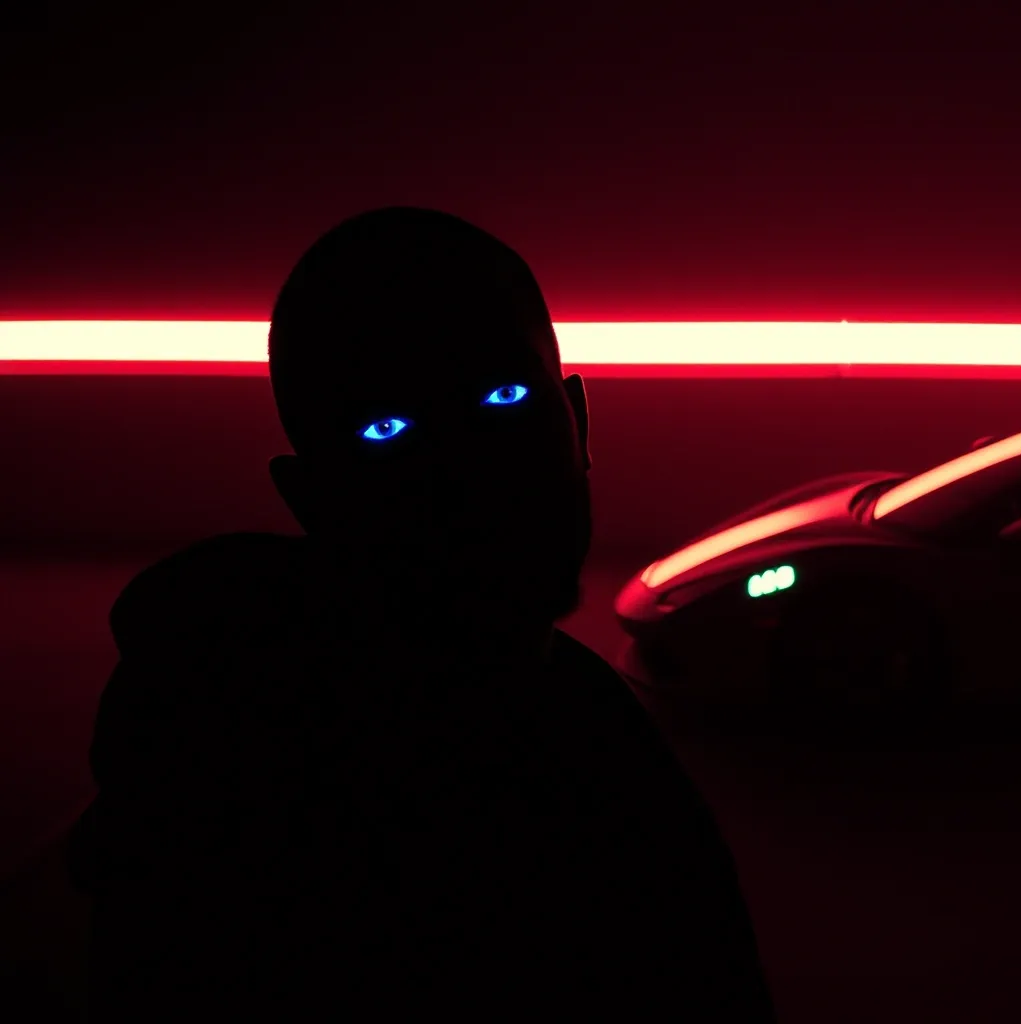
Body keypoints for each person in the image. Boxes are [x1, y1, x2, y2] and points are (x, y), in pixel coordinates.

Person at [69, 207, 777, 1020]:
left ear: (578, 420)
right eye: (388, 430)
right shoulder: (237, 804)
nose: (472, 474)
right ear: (310, 498)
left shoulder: (580, 724)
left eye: (505, 396)